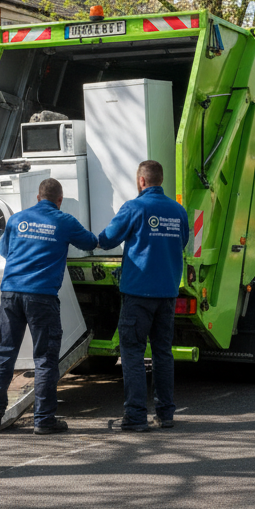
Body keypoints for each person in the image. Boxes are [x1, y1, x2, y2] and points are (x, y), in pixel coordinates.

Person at [0, 178, 98, 434]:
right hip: (42, 296)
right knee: (45, 359)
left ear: (37, 197)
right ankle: (44, 420)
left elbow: (4, 251)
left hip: (11, 292)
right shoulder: (64, 221)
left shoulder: (17, 219)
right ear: (59, 200)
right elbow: (90, 242)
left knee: (4, 354)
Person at [97, 160, 190, 432]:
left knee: (133, 353)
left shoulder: (134, 208)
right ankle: (165, 414)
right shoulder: (178, 211)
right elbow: (182, 241)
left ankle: (136, 417)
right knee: (163, 352)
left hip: (139, 293)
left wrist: (95, 238)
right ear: (160, 180)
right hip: (168, 293)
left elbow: (109, 239)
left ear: (141, 181)